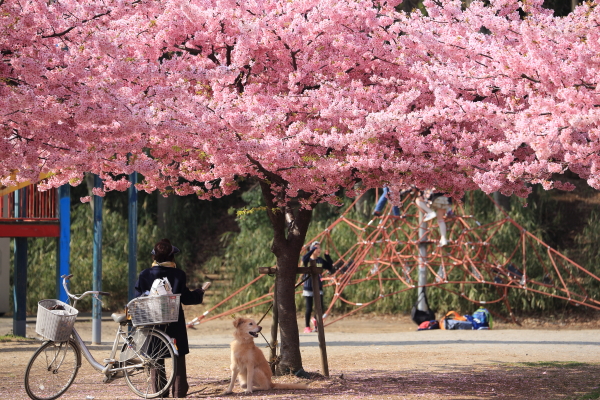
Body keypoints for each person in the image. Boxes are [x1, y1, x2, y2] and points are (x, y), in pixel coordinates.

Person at [134, 239, 205, 398]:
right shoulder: (179, 274)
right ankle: (179, 392)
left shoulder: (144, 274)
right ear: (172, 258)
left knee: (156, 356)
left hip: (152, 323)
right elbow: (186, 298)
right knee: (178, 356)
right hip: (174, 322)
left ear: (154, 257)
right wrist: (199, 293)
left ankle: (160, 392)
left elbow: (138, 297)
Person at [301, 241, 335, 333]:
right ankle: (307, 327)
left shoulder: (320, 260)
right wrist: (311, 250)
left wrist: (327, 256)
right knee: (309, 308)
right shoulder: (307, 260)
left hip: (318, 286)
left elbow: (330, 266)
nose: (318, 249)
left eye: (319, 247)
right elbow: (304, 258)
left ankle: (316, 322)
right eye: (316, 248)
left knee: (320, 307)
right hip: (308, 286)